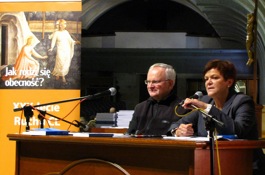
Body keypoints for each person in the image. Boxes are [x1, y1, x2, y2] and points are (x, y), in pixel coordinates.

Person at [169, 59, 265, 175]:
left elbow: (239, 131)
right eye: (206, 79)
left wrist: (207, 108)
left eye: (214, 78)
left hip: (244, 165)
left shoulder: (242, 101)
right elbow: (175, 124)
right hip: (207, 163)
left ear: (229, 82)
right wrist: (178, 131)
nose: (208, 82)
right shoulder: (206, 100)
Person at [127, 63, 184, 136]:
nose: (150, 86)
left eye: (155, 82)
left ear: (170, 83)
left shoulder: (182, 108)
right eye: (148, 82)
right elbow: (129, 134)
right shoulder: (140, 108)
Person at [48, 19, 79, 84]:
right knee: (60, 62)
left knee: (65, 63)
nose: (63, 26)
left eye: (64, 24)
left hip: (67, 50)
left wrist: (75, 42)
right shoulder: (56, 33)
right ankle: (62, 77)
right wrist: (51, 48)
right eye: (61, 24)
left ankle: (60, 75)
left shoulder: (66, 32)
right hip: (60, 50)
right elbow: (53, 41)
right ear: (59, 25)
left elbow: (70, 40)